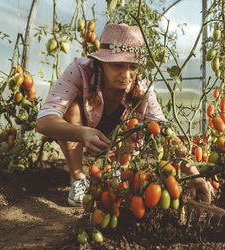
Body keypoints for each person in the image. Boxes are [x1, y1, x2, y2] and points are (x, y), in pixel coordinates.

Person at [36, 23, 211, 207]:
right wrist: (83, 133)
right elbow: (44, 121)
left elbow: (163, 130)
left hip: (121, 140)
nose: (126, 75)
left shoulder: (142, 89)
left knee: (136, 121)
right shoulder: (80, 71)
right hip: (81, 129)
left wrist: (193, 174)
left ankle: (117, 173)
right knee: (72, 108)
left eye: (132, 66)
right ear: (102, 62)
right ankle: (78, 178)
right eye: (118, 65)